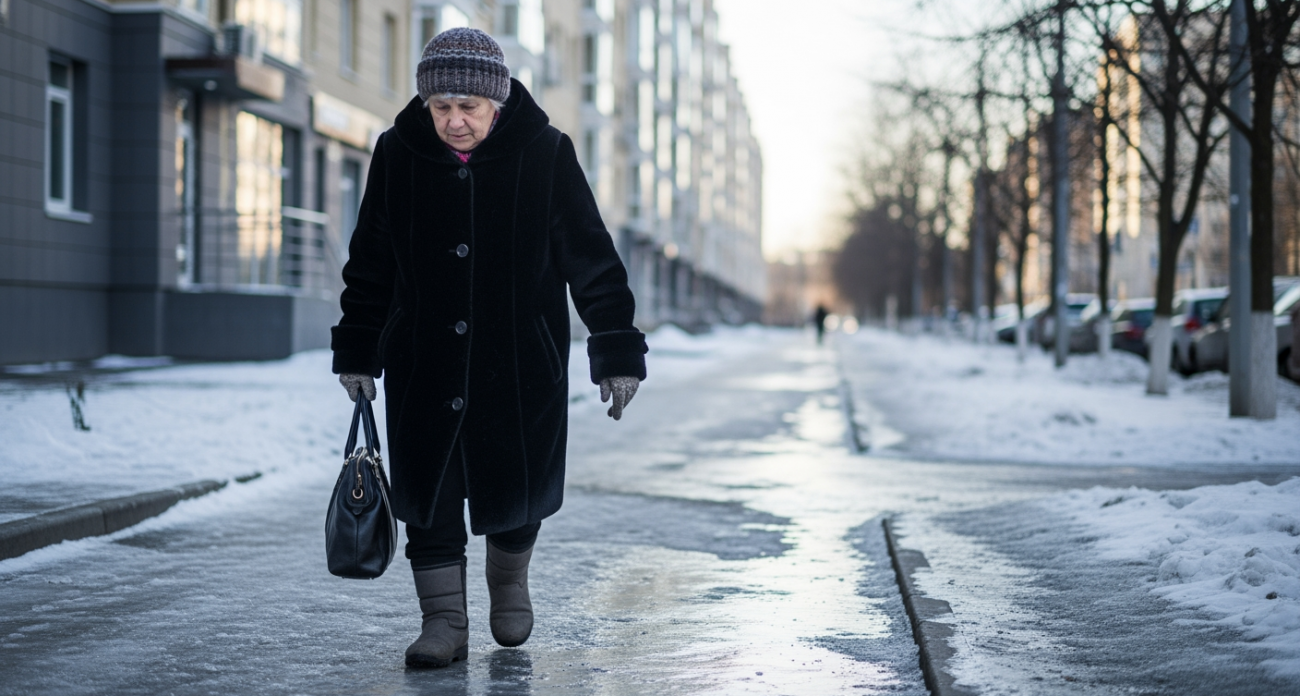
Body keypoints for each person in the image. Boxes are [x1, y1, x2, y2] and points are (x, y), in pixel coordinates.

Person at [331, 28, 647, 669]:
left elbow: (592, 260)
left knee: (514, 486)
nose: (453, 121)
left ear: (496, 102)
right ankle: (443, 620)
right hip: (422, 361)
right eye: (440, 106)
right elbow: (370, 262)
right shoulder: (397, 153)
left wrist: (615, 351)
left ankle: (509, 583)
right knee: (431, 492)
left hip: (519, 363)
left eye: (467, 108)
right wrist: (359, 351)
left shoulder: (546, 153)